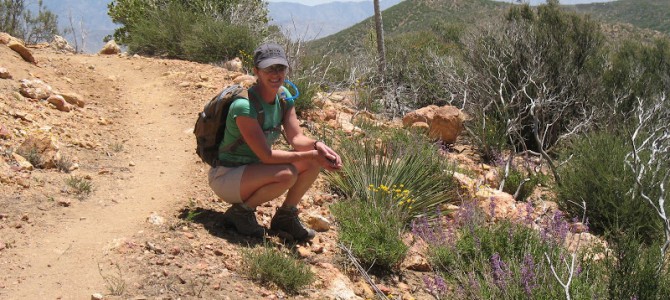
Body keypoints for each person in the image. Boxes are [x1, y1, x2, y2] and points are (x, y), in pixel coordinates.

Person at [208, 42, 342, 241]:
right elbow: (266, 155)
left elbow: (297, 138)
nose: (276, 74)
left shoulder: (283, 97)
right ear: (256, 71)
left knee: (313, 162)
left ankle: (286, 216)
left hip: (254, 169)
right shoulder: (244, 106)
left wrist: (318, 146)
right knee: (286, 174)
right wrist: (312, 154)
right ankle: (242, 212)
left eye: (281, 68)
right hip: (227, 175)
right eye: (269, 68)